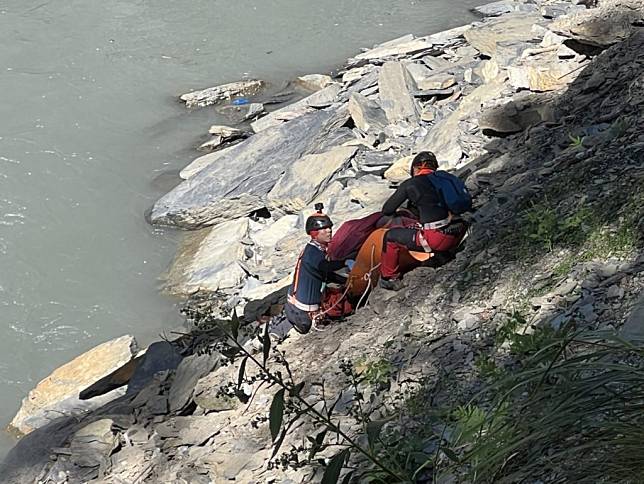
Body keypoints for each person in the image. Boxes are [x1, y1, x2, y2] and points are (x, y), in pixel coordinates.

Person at [379, 151, 468, 290]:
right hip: (460, 231)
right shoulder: (445, 179)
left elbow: (387, 210)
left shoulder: (410, 184)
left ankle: (389, 278)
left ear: (415, 168)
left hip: (437, 239)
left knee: (389, 237)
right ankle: (443, 254)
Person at [285, 205, 349, 334]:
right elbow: (325, 267)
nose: (329, 231)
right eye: (324, 229)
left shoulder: (314, 249)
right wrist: (345, 262)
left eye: (329, 227)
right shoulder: (313, 253)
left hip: (296, 303)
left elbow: (323, 273)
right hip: (302, 312)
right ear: (314, 234)